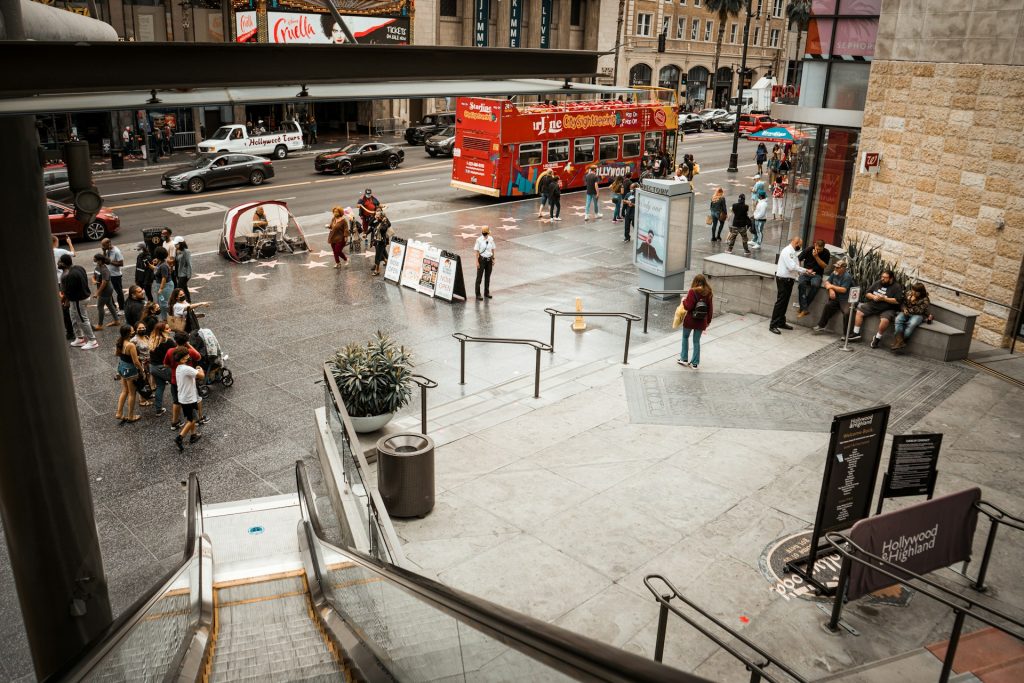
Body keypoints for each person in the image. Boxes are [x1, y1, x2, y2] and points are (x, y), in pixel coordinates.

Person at [847, 269, 905, 348]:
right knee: (859, 311)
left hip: (888, 308)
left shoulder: (896, 287)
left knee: (885, 320)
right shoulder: (878, 283)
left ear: (891, 279)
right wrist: (874, 297)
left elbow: (897, 301)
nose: (882, 279)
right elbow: (867, 293)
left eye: (885, 277)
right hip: (873, 304)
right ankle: (856, 333)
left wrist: (885, 299)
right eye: (882, 277)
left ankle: (877, 338)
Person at [770, 237, 812, 335]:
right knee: (780, 302)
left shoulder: (792, 252)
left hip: (789, 280)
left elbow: (794, 266)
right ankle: (773, 325)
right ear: (795, 242)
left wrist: (798, 274)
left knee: (785, 302)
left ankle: (781, 322)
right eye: (799, 245)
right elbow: (791, 266)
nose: (800, 247)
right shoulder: (787, 251)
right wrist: (805, 270)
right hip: (783, 280)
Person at [59, 254, 99, 350]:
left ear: (64, 264)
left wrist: (64, 301)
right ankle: (80, 338)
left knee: (82, 319)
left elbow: (69, 291)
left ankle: (92, 341)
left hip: (78, 300)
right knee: (74, 317)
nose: (58, 263)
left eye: (59, 261)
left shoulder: (70, 275)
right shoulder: (79, 268)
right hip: (81, 297)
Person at [678, 274, 714, 369]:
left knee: (685, 337)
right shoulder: (709, 292)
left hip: (690, 320)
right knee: (696, 341)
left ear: (695, 281)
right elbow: (710, 309)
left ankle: (684, 359)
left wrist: (683, 300)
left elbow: (688, 307)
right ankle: (695, 363)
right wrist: (708, 321)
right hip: (701, 321)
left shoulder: (692, 291)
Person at [173, 348, 205, 452]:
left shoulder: (179, 368)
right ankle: (179, 438)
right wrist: (200, 369)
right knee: (192, 420)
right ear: (183, 359)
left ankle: (193, 435)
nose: (189, 357)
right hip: (189, 399)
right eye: (187, 355)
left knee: (190, 418)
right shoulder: (187, 369)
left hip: (183, 398)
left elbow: (190, 377)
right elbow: (202, 376)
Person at [812, 260, 855, 334]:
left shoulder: (847, 277)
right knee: (828, 306)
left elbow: (843, 290)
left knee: (847, 313)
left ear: (843, 269)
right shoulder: (834, 273)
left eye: (837, 267)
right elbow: (827, 282)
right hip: (837, 298)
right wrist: (831, 290)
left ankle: (847, 334)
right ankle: (821, 326)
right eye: (835, 267)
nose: (835, 269)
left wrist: (831, 286)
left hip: (846, 299)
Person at [114, 324, 144, 423]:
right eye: (132, 331)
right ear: (128, 333)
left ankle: (119, 413)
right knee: (132, 393)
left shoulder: (120, 341)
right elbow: (135, 361)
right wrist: (142, 370)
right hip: (130, 370)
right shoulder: (130, 345)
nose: (133, 332)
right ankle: (131, 416)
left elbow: (117, 354)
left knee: (124, 391)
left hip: (122, 367)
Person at [891, 283, 932, 352]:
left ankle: (899, 342)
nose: (913, 292)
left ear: (921, 292)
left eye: (916, 292)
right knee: (898, 319)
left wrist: (912, 302)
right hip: (906, 312)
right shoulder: (909, 293)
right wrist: (904, 309)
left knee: (911, 324)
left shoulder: (925, 299)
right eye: (913, 290)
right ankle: (900, 341)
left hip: (918, 315)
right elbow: (902, 303)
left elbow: (920, 310)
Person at [796, 239, 831, 317]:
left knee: (815, 285)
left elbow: (824, 266)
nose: (818, 250)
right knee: (801, 284)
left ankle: (803, 307)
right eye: (817, 248)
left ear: (823, 248)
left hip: (817, 274)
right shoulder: (809, 249)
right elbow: (798, 259)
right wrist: (800, 270)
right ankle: (804, 308)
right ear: (815, 245)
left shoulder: (826, 253)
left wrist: (816, 256)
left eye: (820, 249)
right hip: (806, 272)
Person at [149, 322, 175, 416]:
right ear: (162, 331)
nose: (170, 330)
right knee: (174, 383)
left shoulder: (153, 339)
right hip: (163, 368)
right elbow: (176, 352)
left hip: (153, 368)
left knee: (160, 386)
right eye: (167, 329)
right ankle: (178, 403)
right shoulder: (168, 341)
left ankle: (158, 409)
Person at [53, 235, 76, 340]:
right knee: (66, 303)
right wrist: (69, 242)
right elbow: (73, 254)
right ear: (55, 242)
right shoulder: (59, 251)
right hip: (62, 280)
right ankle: (71, 330)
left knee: (61, 302)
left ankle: (67, 327)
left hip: (55, 281)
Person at [92, 254, 119, 330]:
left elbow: (104, 283)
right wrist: (93, 280)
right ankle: (117, 321)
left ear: (100, 261)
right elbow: (94, 275)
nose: (94, 261)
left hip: (106, 291)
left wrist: (97, 292)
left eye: (95, 259)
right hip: (103, 290)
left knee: (100, 306)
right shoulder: (97, 267)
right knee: (110, 304)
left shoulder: (105, 270)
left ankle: (100, 325)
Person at [100, 238, 125, 313]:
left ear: (109, 244)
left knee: (119, 292)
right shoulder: (107, 250)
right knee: (108, 292)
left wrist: (110, 262)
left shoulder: (117, 251)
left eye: (104, 245)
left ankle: (122, 308)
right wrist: (104, 251)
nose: (103, 247)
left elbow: (121, 264)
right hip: (108, 275)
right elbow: (104, 260)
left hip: (116, 276)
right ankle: (113, 308)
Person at [151, 247, 174, 320]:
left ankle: (167, 319)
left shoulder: (163, 265)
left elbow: (164, 278)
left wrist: (161, 289)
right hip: (162, 286)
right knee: (161, 303)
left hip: (165, 286)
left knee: (164, 304)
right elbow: (156, 269)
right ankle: (165, 319)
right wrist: (149, 265)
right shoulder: (161, 262)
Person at [474, 225, 495, 300]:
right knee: (479, 278)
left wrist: (493, 258)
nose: (484, 234)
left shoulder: (491, 239)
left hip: (489, 260)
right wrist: (477, 262)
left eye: (485, 232)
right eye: (484, 232)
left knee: (487, 277)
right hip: (481, 260)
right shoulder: (479, 240)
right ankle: (478, 294)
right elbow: (476, 251)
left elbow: (492, 249)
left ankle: (486, 292)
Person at [370, 208, 394, 276]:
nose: (376, 217)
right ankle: (388, 262)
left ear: (381, 216)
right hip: (376, 241)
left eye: (378, 216)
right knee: (383, 255)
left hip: (381, 242)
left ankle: (377, 270)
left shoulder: (384, 223)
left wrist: (383, 221)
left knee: (377, 256)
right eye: (376, 215)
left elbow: (383, 230)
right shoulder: (377, 221)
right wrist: (374, 218)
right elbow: (370, 224)